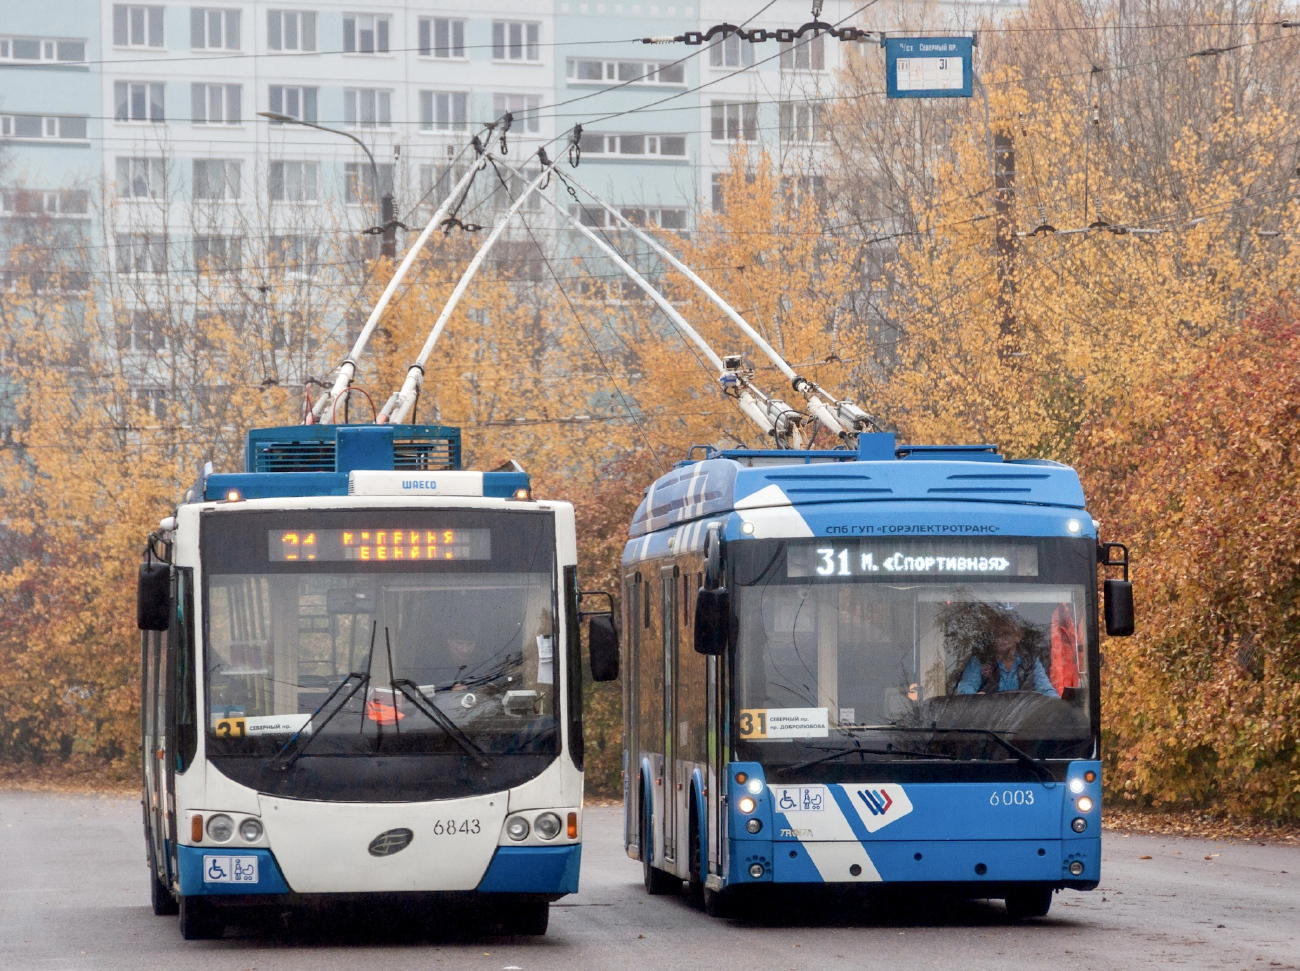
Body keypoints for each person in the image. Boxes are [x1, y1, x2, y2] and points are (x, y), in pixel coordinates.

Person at [956, 611, 1058, 698]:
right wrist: (976, 698)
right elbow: (965, 688)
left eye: (1006, 634)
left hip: (1023, 717)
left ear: (1018, 636)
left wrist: (1060, 705)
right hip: (989, 717)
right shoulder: (980, 660)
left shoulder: (1030, 661)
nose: (1000, 639)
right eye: (997, 635)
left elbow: (1045, 689)